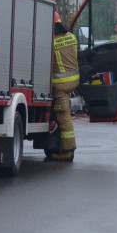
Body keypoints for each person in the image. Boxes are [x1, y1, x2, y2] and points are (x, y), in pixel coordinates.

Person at [50, 11, 80, 159]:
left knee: (63, 116)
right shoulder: (72, 37)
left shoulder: (51, 42)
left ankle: (68, 152)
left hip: (60, 85)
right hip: (75, 80)